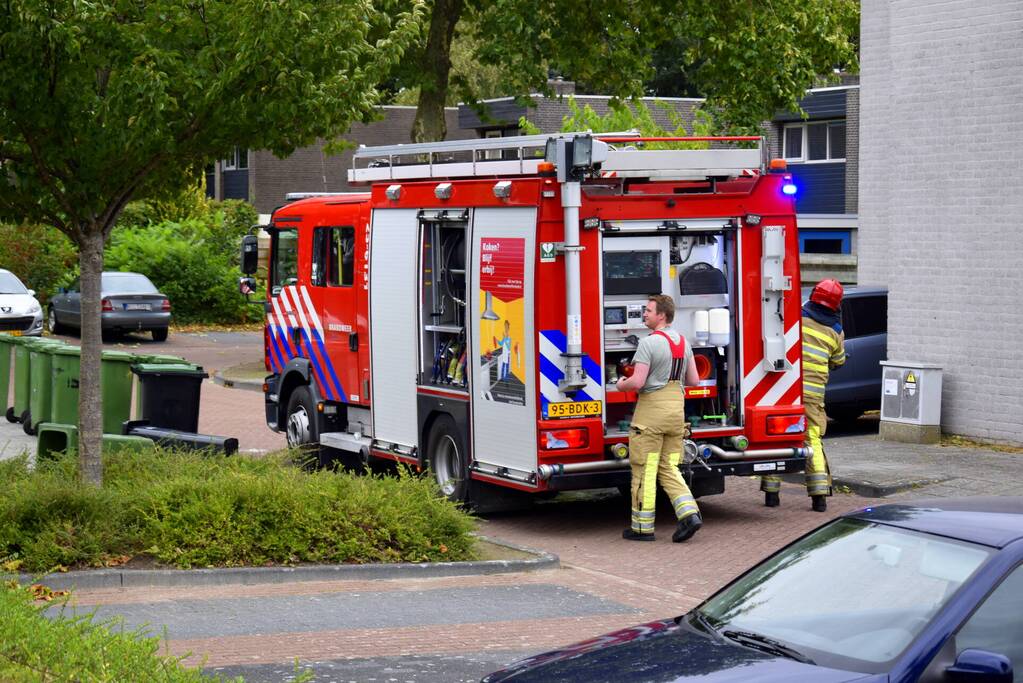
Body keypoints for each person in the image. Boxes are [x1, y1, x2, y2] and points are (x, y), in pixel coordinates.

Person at [616, 295, 702, 542]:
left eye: (648, 311)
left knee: (645, 467)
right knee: (668, 466)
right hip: (677, 410)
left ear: (661, 315)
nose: (644, 314)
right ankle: (690, 514)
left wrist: (621, 385)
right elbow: (694, 381)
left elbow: (638, 382)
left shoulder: (649, 343)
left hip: (652, 413)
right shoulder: (684, 342)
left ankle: (642, 528)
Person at [761, 279, 847, 512]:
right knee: (812, 440)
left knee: (775, 438)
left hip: (785, 388)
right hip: (813, 395)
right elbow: (838, 361)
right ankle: (819, 497)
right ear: (836, 305)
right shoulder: (836, 331)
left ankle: (771, 494)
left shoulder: (796, 317)